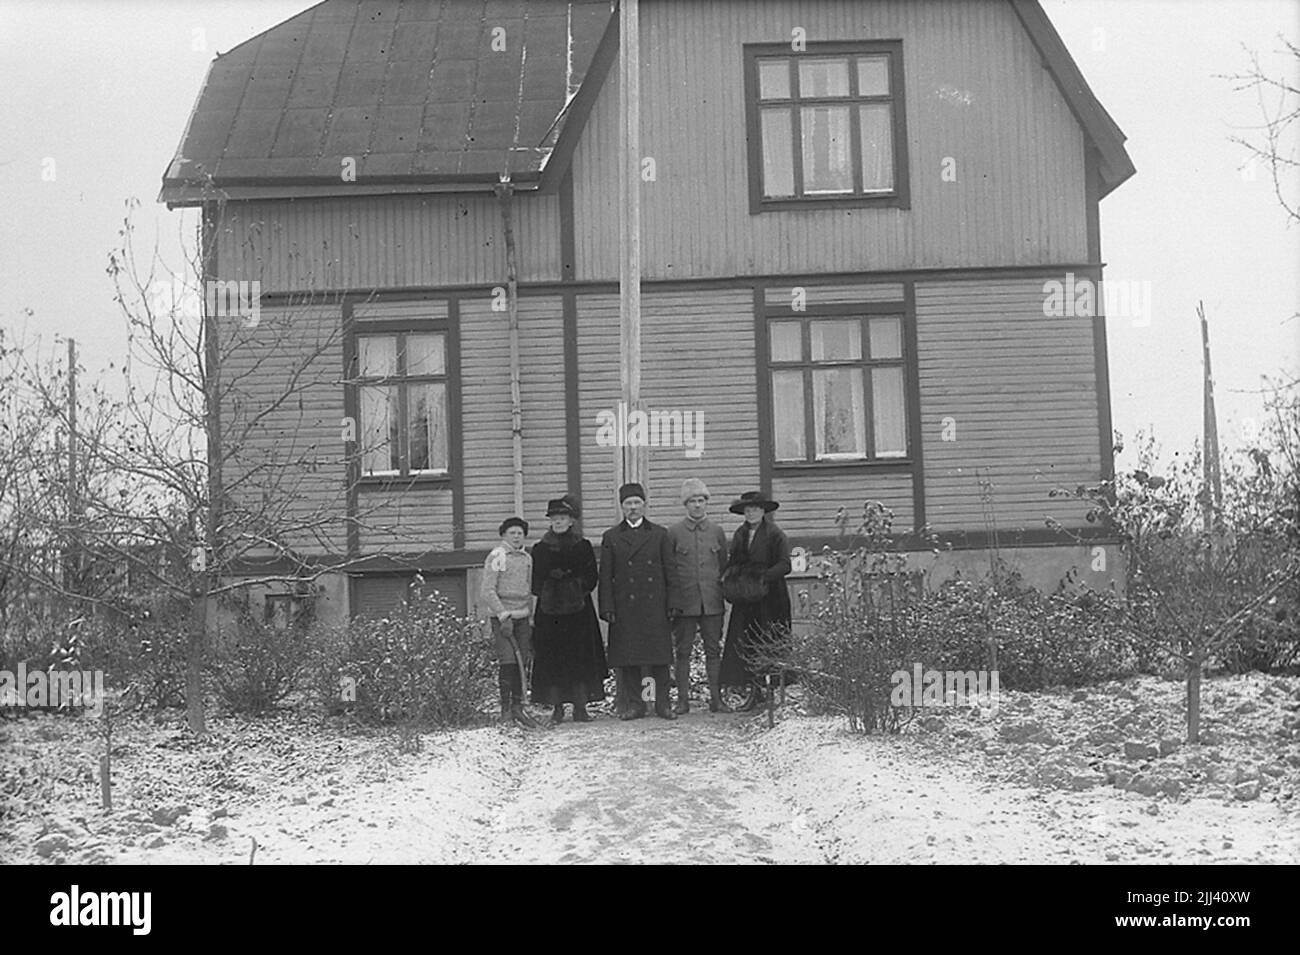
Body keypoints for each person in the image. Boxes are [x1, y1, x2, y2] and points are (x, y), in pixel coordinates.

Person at [598, 482, 676, 720]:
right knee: (631, 660)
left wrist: (673, 603)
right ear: (622, 507)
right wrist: (607, 607)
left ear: (644, 505)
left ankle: (661, 703)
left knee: (658, 660)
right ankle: (637, 704)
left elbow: (670, 572)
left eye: (637, 503)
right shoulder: (611, 537)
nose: (633, 508)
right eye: (628, 504)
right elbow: (606, 576)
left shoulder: (660, 534)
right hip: (625, 606)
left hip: (654, 605)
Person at [530, 496, 607, 724]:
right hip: (550, 613)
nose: (559, 522)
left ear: (571, 521)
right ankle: (557, 709)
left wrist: (573, 587)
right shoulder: (540, 549)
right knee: (553, 658)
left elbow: (592, 577)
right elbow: (534, 581)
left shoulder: (582, 546)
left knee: (579, 658)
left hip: (578, 612)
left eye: (563, 518)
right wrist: (551, 587)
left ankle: (581, 708)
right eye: (555, 518)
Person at [718, 491, 792, 711]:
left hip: (771, 599)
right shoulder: (740, 534)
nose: (751, 513)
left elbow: (785, 565)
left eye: (756, 509)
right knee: (745, 643)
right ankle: (752, 691)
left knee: (769, 642)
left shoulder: (775, 534)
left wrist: (761, 578)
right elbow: (735, 562)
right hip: (746, 600)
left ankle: (771, 693)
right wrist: (729, 578)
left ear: (763, 511)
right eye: (748, 510)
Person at [666, 478, 730, 714]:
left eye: (701, 500)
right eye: (692, 501)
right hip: (685, 604)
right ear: (685, 505)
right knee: (683, 651)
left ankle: (716, 699)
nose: (697, 505)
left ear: (706, 503)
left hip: (712, 602)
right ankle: (683, 701)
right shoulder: (673, 533)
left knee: (714, 651)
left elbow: (723, 565)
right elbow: (670, 570)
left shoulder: (717, 532)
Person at [481, 516, 540, 728]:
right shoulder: (498, 556)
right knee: (508, 661)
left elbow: (529, 588)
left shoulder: (526, 558)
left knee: (521, 663)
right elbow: (487, 590)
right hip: (503, 619)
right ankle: (505, 710)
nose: (516, 537)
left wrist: (530, 616)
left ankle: (518, 708)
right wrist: (502, 614)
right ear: (504, 535)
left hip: (523, 617)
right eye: (512, 533)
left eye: (520, 533)